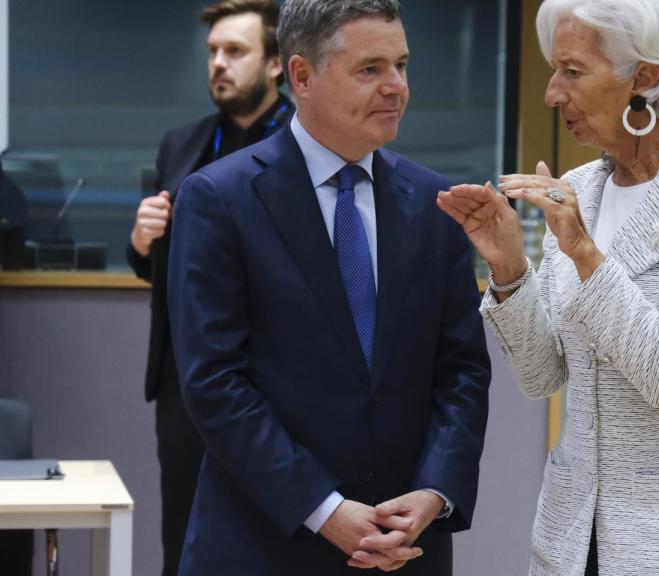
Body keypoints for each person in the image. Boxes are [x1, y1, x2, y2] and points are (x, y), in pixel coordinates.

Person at [438, 0, 659, 574]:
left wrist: (582, 251)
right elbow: (541, 376)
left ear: (643, 80)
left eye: (572, 72)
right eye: (554, 71)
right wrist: (509, 266)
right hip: (578, 531)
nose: (553, 94)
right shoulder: (581, 188)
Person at [167, 0, 490, 574]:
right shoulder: (219, 199)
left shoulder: (434, 202)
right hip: (263, 542)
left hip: (404, 547)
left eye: (402, 65)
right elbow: (214, 382)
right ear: (301, 76)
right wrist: (324, 509)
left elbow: (462, 371)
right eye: (371, 69)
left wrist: (436, 493)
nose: (396, 87)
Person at [125, 1, 293, 573]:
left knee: (276, 531)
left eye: (235, 52)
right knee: (184, 532)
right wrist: (143, 242)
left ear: (276, 63)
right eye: (213, 53)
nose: (218, 64)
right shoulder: (182, 144)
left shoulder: (306, 142)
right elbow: (167, 266)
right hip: (185, 380)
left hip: (277, 374)